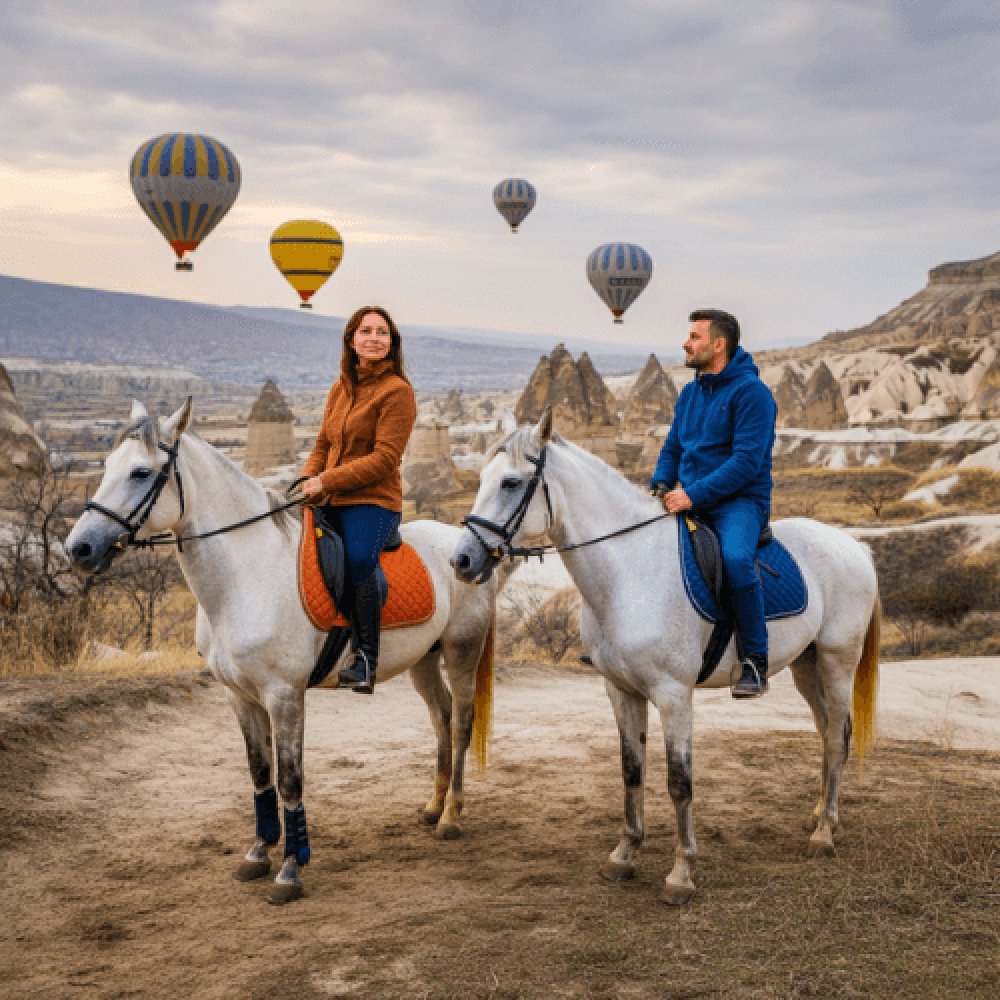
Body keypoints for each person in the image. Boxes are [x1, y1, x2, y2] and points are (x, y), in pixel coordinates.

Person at [650, 309, 777, 698]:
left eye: (694, 337)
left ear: (718, 345)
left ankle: (754, 660)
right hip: (691, 496)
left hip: (739, 502)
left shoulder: (752, 394)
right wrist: (660, 483)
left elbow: (746, 463)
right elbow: (674, 446)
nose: (686, 344)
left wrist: (692, 494)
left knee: (736, 560)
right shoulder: (690, 393)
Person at [298, 306, 417, 694]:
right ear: (351, 340)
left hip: (374, 501)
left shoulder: (397, 392)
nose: (374, 339)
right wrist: (306, 479)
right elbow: (323, 444)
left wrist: (325, 480)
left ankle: (365, 658)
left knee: (357, 558)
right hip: (330, 495)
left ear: (392, 342)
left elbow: (385, 459)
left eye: (382, 332)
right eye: (366, 331)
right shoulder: (340, 388)